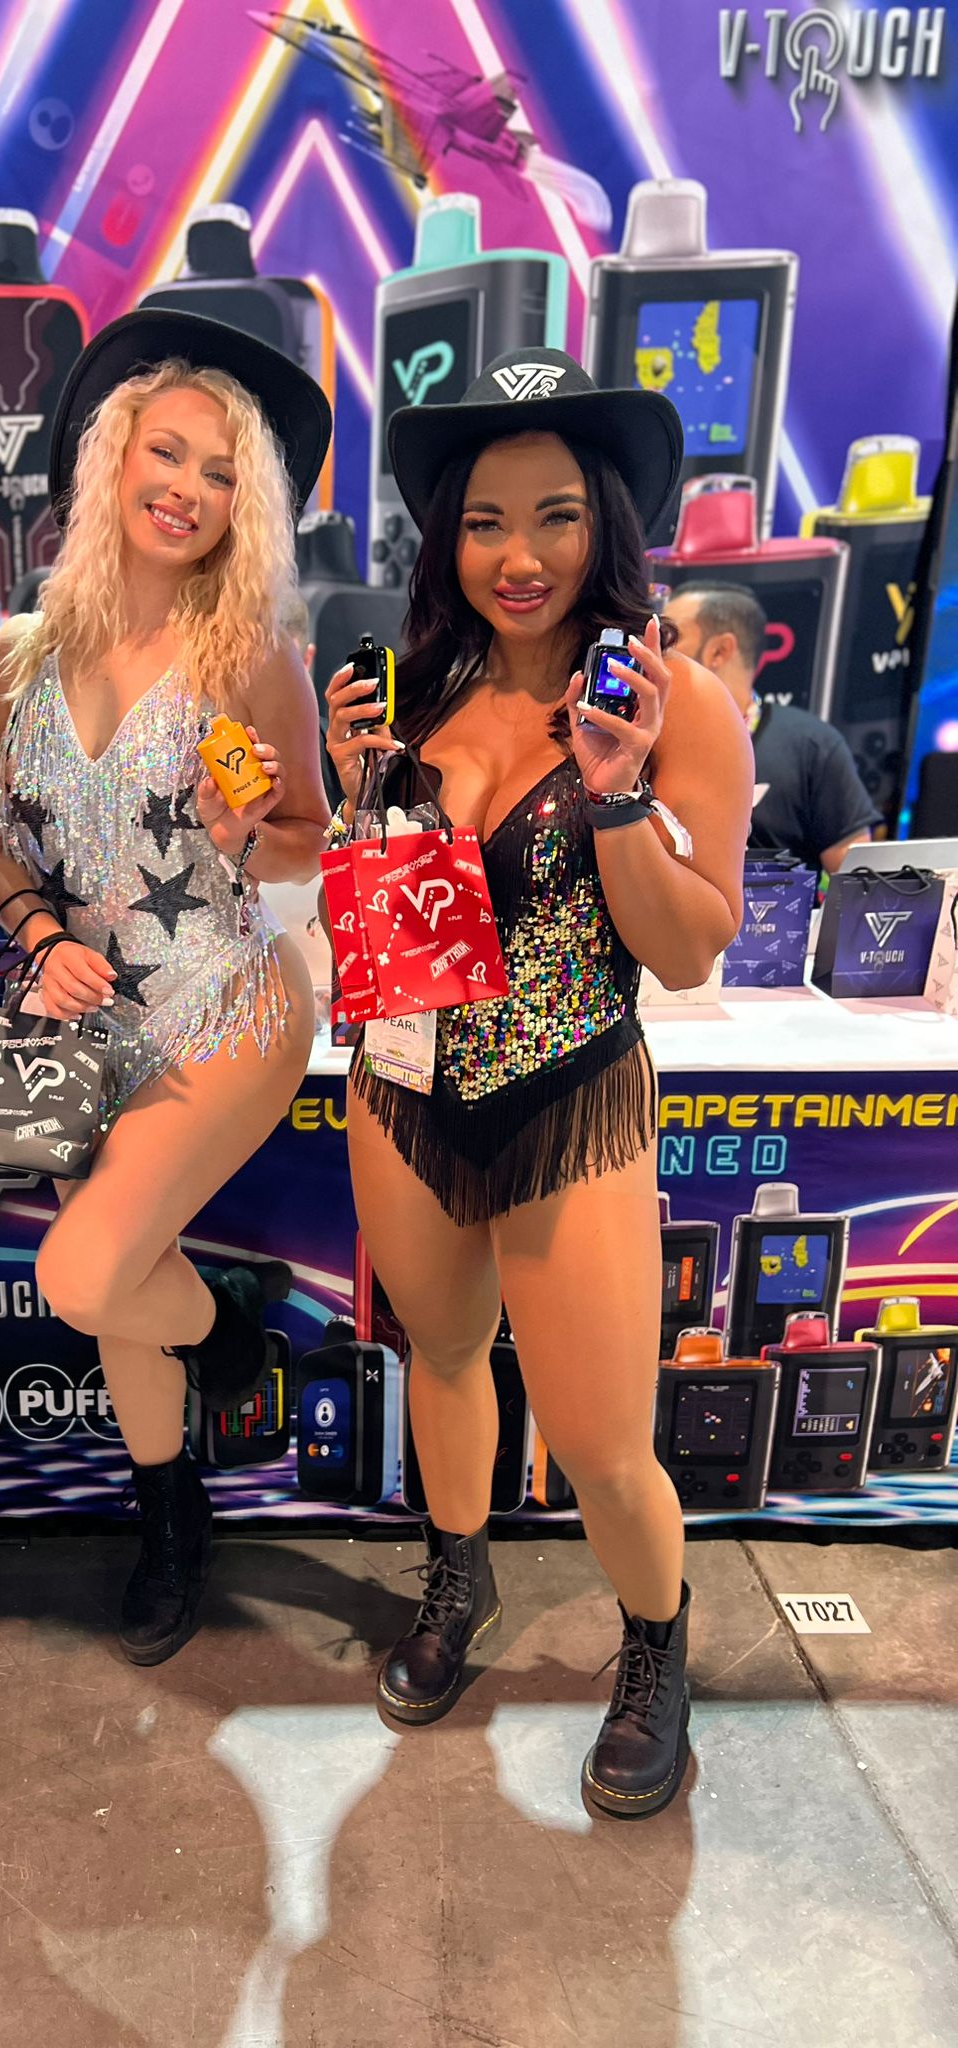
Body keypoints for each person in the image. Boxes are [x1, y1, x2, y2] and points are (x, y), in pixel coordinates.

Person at [325, 347, 751, 1819]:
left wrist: (619, 791)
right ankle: (458, 1578)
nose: (521, 556)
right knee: (442, 1359)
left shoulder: (677, 701)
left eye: (557, 515)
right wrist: (356, 790)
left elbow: (687, 951)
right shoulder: (414, 684)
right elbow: (376, 897)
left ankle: (655, 1645)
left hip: (573, 1096)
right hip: (403, 1086)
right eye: (486, 520)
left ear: (606, 522)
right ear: (445, 536)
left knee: (600, 1438)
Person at [0, 311, 331, 1664]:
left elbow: (305, 840)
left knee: (83, 1269)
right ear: (113, 458)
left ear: (248, 507)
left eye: (221, 472)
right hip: (85, 1022)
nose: (186, 487)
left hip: (229, 1003)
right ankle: (171, 1510)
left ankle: (230, 1341)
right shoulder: (19, 651)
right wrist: (33, 934)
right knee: (125, 1265)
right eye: (166, 453)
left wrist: (247, 834)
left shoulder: (249, 654)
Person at [665, 582, 879, 873]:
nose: (657, 651)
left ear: (719, 651)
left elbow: (858, 878)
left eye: (670, 638)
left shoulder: (811, 745)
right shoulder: (646, 740)